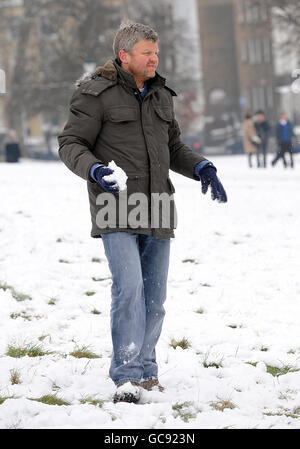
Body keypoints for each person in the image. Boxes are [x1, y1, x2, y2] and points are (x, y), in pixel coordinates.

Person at [58, 22, 227, 404]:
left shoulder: (160, 95)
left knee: (155, 297)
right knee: (129, 289)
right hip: (115, 204)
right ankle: (127, 377)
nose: (154, 59)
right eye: (147, 53)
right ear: (125, 56)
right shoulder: (94, 94)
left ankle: (148, 371)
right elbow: (70, 142)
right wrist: (94, 170)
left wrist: (201, 166)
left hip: (158, 207)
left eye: (156, 53)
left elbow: (174, 147)